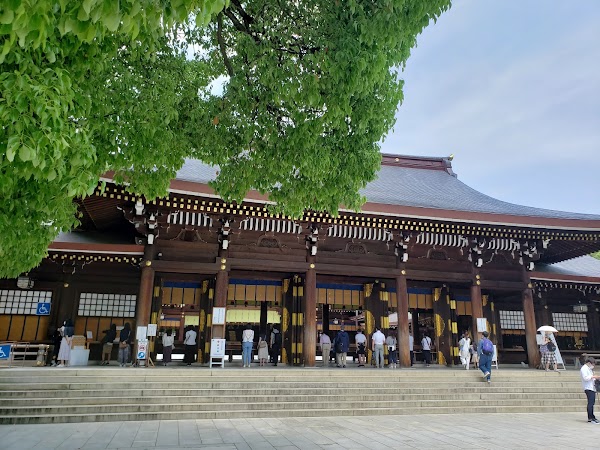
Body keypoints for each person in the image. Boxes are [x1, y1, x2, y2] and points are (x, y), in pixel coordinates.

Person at [580, 356, 600, 423]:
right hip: (588, 388)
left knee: (592, 403)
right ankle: (590, 417)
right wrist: (594, 376)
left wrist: (595, 378)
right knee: (590, 403)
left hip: (592, 387)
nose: (593, 365)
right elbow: (585, 378)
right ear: (589, 363)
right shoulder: (584, 368)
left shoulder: (589, 369)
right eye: (593, 364)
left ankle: (592, 416)